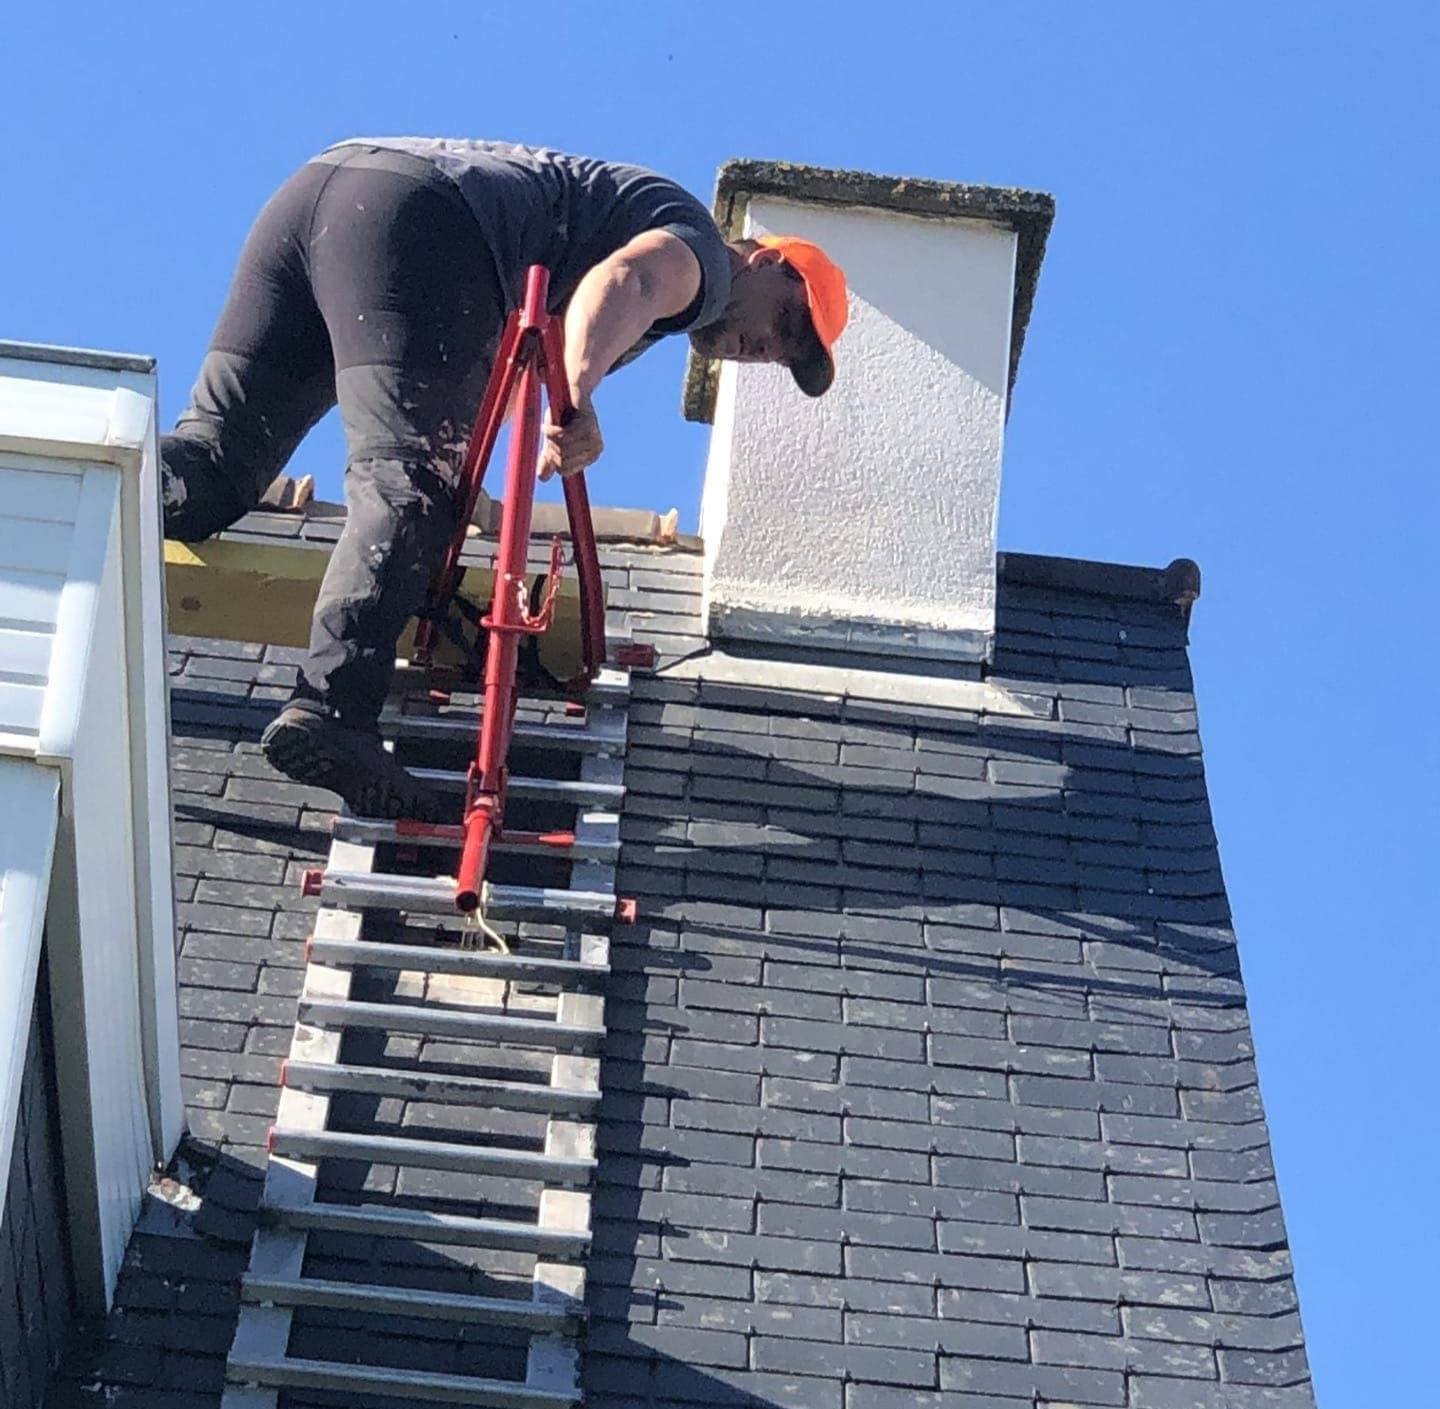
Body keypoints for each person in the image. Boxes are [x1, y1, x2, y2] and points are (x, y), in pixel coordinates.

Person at [161, 137, 848, 818]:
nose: (770, 347)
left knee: (210, 471)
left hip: (323, 192)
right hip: (427, 222)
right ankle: (331, 708)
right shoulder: (703, 261)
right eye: (787, 319)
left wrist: (513, 448)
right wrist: (575, 395)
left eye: (788, 356)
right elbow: (629, 280)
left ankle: (75, 493)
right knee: (411, 484)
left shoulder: (624, 242)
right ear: (764, 259)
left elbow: (508, 364)